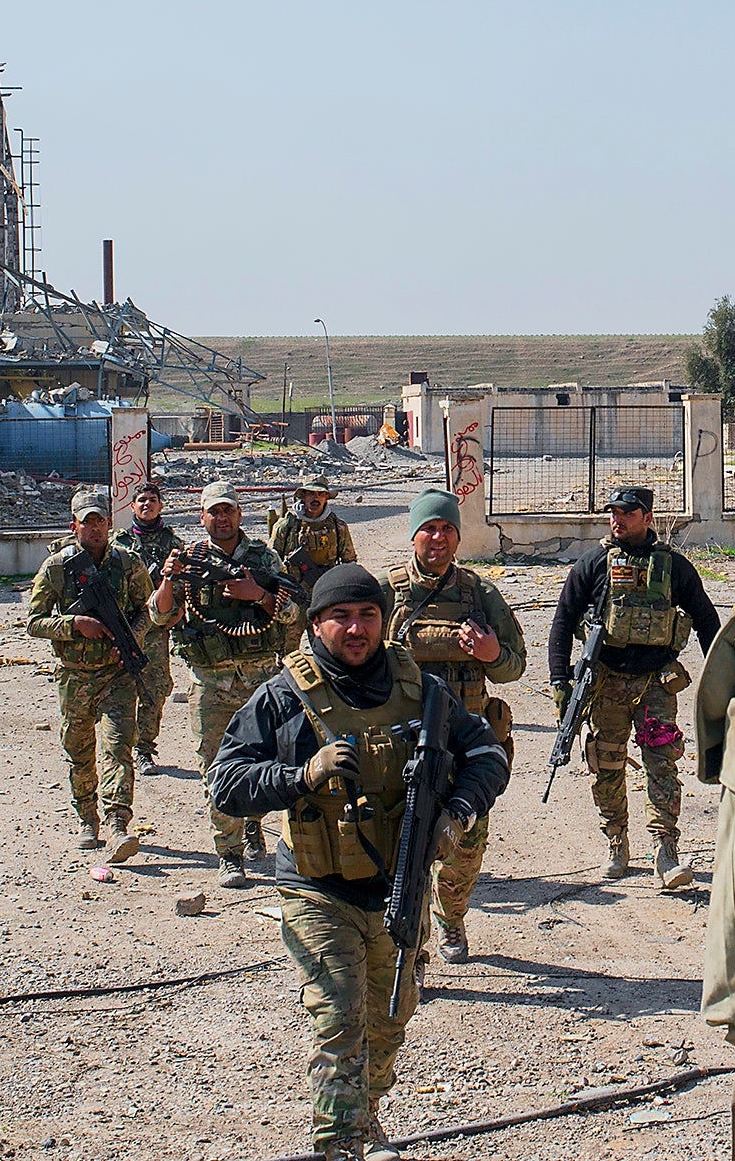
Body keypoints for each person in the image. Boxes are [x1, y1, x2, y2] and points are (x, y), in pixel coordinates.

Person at [209, 564, 511, 1161]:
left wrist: (457, 814)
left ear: (382, 621)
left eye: (367, 616)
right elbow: (225, 783)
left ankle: (365, 1121)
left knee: (388, 1019)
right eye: (340, 617)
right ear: (316, 625)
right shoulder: (282, 697)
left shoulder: (420, 690)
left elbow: (484, 753)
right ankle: (340, 1144)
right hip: (318, 889)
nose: (355, 628)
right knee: (340, 1019)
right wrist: (299, 776)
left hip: (400, 885)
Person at [546, 484, 721, 887]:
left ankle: (664, 848)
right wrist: (560, 681)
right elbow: (561, 624)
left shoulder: (675, 568)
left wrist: (721, 678)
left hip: (656, 684)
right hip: (605, 683)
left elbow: (707, 623)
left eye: (627, 512)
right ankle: (617, 840)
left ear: (648, 517)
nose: (617, 519)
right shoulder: (591, 566)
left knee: (662, 764)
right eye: (613, 512)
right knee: (606, 766)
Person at [383, 489, 526, 963]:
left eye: (447, 529)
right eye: (429, 528)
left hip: (466, 747)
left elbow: (514, 666)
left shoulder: (480, 594)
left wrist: (490, 655)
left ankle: (453, 918)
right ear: (413, 535)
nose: (438, 538)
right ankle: (411, 943)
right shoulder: (387, 593)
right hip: (404, 745)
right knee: (407, 847)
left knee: (465, 848)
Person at [150, 479, 302, 887]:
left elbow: (292, 615)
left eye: (228, 510)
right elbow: (160, 617)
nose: (221, 518)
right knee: (215, 768)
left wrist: (258, 596)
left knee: (265, 763)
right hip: (210, 681)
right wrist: (168, 580)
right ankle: (229, 853)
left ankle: (252, 821)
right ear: (202, 517)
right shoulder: (188, 560)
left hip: (259, 680)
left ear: (239, 514)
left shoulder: (264, 559)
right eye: (213, 511)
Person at [25, 487, 154, 863]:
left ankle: (117, 824)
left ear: (109, 524)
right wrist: (74, 624)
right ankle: (87, 818)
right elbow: (34, 622)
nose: (95, 529)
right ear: (74, 526)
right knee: (80, 751)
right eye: (87, 522)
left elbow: (147, 611)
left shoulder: (127, 564)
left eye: (100, 521)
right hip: (74, 676)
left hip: (116, 674)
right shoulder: (56, 567)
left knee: (118, 749)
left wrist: (130, 638)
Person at [115, 480, 182, 776]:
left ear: (161, 506)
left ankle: (144, 749)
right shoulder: (119, 544)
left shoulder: (172, 543)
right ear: (132, 506)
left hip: (156, 630)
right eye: (141, 500)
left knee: (155, 688)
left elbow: (185, 584)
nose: (147, 504)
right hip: (126, 627)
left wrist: (177, 614)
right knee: (120, 688)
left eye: (152, 500)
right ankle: (118, 747)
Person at [271, 479, 359, 598]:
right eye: (311, 493)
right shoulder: (286, 526)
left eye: (320, 494)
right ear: (303, 496)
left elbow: (349, 563)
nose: (315, 498)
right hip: (294, 595)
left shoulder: (338, 527)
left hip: (327, 591)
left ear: (326, 497)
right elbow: (272, 561)